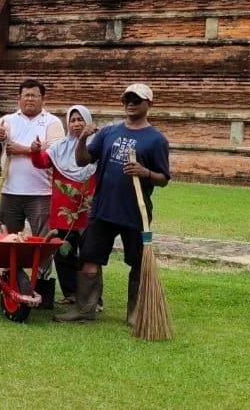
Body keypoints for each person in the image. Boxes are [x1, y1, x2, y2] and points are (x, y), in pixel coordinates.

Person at [55, 83, 170, 325]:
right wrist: (83, 138)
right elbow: (82, 159)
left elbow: (163, 179)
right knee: (89, 257)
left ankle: (136, 313)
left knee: (138, 261)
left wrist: (145, 172)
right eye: (127, 98)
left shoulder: (156, 140)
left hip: (135, 211)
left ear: (149, 104)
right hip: (104, 209)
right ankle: (84, 310)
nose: (130, 103)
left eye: (136, 99)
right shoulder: (109, 133)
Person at [31, 105, 98, 304]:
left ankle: (92, 298)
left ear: (88, 121)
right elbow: (42, 162)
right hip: (63, 209)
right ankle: (71, 294)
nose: (76, 124)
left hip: (87, 209)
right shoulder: (60, 147)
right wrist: (35, 152)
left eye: (80, 120)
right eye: (72, 120)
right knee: (63, 252)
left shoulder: (97, 147)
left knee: (88, 254)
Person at [0, 79, 65, 242]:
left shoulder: (52, 122)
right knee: (9, 240)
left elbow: (56, 152)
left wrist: (25, 150)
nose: (30, 99)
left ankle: (41, 269)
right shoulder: (8, 120)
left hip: (41, 193)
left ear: (43, 99)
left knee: (43, 240)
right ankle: (12, 269)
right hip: (10, 191)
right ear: (19, 98)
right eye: (26, 95)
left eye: (34, 95)